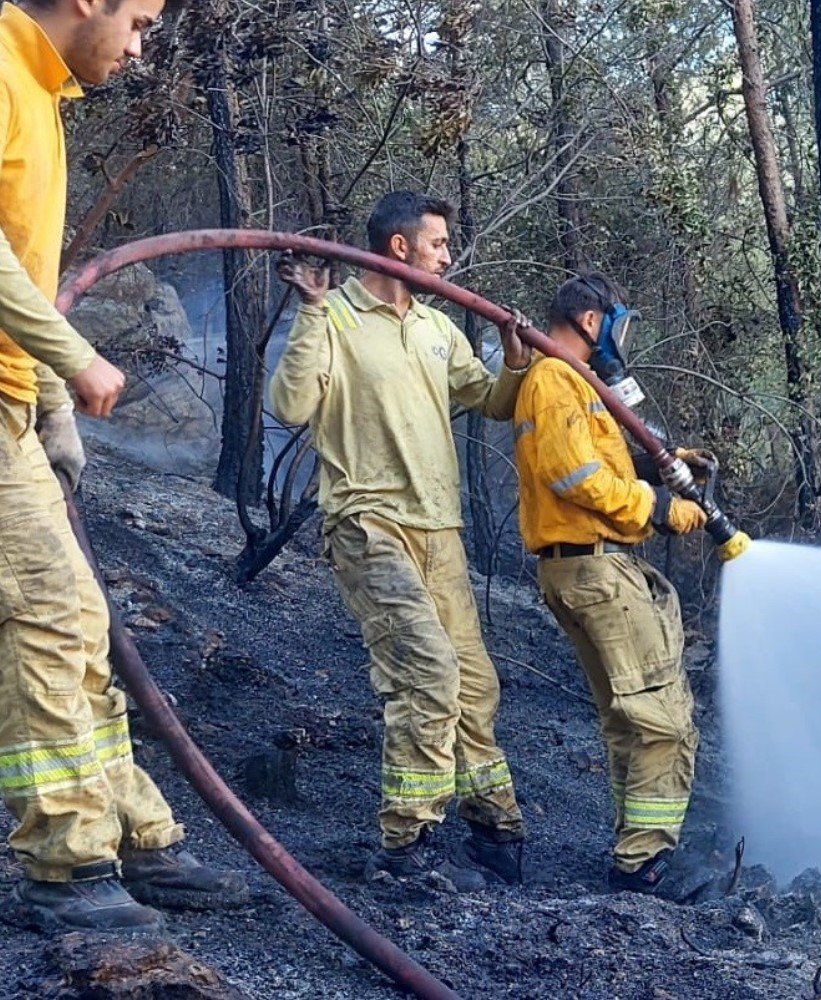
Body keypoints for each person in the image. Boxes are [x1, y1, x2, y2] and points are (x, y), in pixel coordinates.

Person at [0, 0, 250, 933]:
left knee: (76, 617)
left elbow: (18, 266)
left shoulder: (38, 91)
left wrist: (49, 408)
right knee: (51, 614)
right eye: (140, 21)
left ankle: (131, 836)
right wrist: (72, 356)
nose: (143, 49)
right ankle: (67, 866)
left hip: (13, 404)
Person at [270, 191, 532, 887]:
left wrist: (513, 360)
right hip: (369, 525)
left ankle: (492, 827)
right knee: (428, 673)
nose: (448, 256)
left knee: (474, 685)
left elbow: (494, 402)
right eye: (440, 244)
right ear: (399, 248)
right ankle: (407, 846)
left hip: (439, 531)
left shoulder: (438, 329)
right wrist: (309, 310)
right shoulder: (338, 317)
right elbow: (289, 405)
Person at [512, 272, 715, 899]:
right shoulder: (553, 379)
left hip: (582, 568)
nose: (616, 342)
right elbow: (578, 479)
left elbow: (595, 462)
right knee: (661, 720)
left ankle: (636, 850)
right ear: (592, 322)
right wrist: (659, 508)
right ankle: (645, 863)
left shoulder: (567, 384)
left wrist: (673, 458)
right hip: (596, 568)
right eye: (615, 328)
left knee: (629, 720)